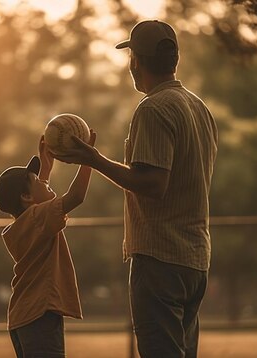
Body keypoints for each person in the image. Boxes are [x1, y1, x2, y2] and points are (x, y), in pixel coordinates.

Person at [53, 20, 218, 358]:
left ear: (136, 62)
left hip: (160, 259)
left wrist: (93, 159)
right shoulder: (199, 107)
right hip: (195, 260)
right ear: (174, 60)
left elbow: (153, 184)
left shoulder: (153, 109)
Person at [0, 132, 96, 358]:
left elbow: (39, 198)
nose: (43, 180)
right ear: (26, 197)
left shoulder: (25, 223)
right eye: (36, 179)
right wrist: (90, 159)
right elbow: (76, 196)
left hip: (24, 316)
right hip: (40, 314)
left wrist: (46, 171)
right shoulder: (39, 218)